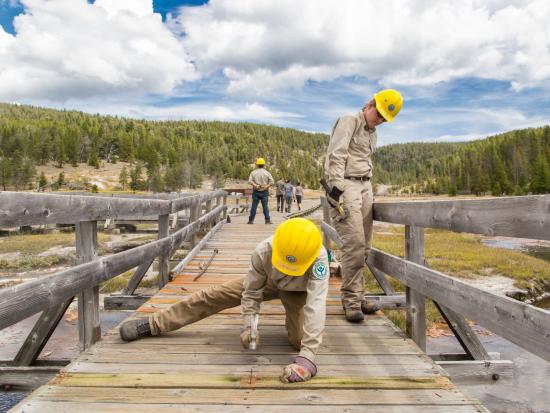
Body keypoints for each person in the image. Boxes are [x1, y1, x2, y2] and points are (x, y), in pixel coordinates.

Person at [119, 218, 329, 384]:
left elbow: (316, 305)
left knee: (298, 341)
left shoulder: (319, 260)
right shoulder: (264, 251)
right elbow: (252, 292)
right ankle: (153, 324)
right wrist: (249, 325)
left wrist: (307, 357)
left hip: (299, 292)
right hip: (269, 281)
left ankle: (302, 341)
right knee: (213, 295)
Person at [324, 89, 403, 323]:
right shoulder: (350, 120)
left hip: (365, 186)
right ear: (370, 104)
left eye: (383, 119)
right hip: (346, 185)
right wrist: (336, 189)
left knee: (365, 246)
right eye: (377, 113)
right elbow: (336, 155)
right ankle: (350, 301)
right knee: (354, 243)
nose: (378, 119)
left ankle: (359, 297)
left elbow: (364, 161)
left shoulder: (373, 133)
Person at [247, 158, 274, 224]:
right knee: (265, 207)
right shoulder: (267, 173)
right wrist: (266, 186)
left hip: (256, 191)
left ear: (257, 165)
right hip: (264, 192)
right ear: (264, 165)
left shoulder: (253, 172)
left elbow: (250, 181)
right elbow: (272, 182)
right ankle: (267, 220)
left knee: (254, 206)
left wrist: (255, 185)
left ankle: (251, 220)